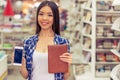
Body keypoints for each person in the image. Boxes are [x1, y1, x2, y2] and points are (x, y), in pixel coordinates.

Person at [20, 1, 72, 80]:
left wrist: (68, 64)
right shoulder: (29, 42)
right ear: (37, 16)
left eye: (49, 15)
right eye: (41, 14)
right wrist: (21, 64)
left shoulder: (62, 42)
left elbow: (65, 77)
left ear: (55, 18)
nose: (44, 18)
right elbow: (25, 75)